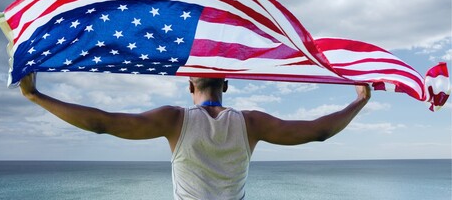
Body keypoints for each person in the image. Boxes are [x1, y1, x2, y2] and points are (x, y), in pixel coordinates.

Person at [19, 73, 371, 200]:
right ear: (227, 84)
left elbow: (102, 123)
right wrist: (359, 101)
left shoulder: (174, 120)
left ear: (189, 85)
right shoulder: (252, 123)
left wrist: (37, 96)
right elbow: (319, 131)